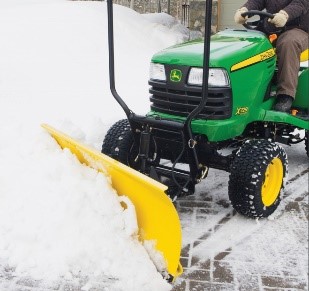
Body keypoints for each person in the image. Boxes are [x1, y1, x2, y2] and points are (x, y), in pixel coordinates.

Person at [234, 0, 309, 113]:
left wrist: (285, 14)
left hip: (298, 29)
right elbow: (256, 2)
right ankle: (245, 92)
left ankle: (285, 95)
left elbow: (300, 4)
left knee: (288, 43)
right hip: (272, 27)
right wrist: (244, 10)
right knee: (251, 43)